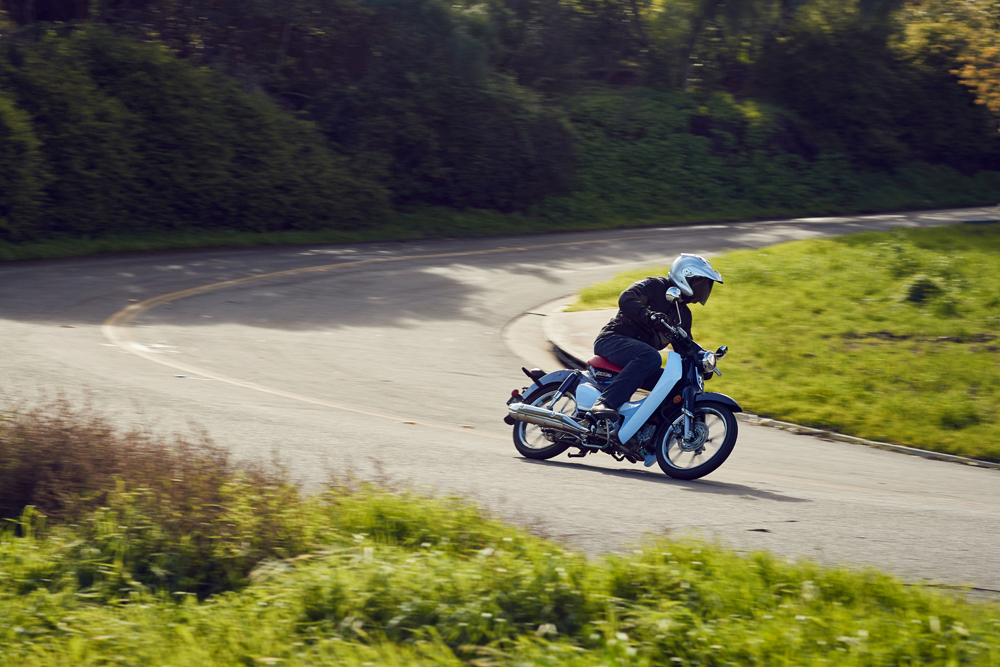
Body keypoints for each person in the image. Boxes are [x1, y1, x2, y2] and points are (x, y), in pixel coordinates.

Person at [588, 254, 723, 422]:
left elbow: (685, 347)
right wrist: (649, 316)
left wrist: (701, 362)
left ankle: (647, 435)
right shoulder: (655, 286)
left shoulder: (683, 315)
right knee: (651, 356)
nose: (704, 290)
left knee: (677, 383)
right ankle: (604, 403)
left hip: (640, 360)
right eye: (701, 284)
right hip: (612, 340)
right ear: (685, 276)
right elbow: (626, 298)